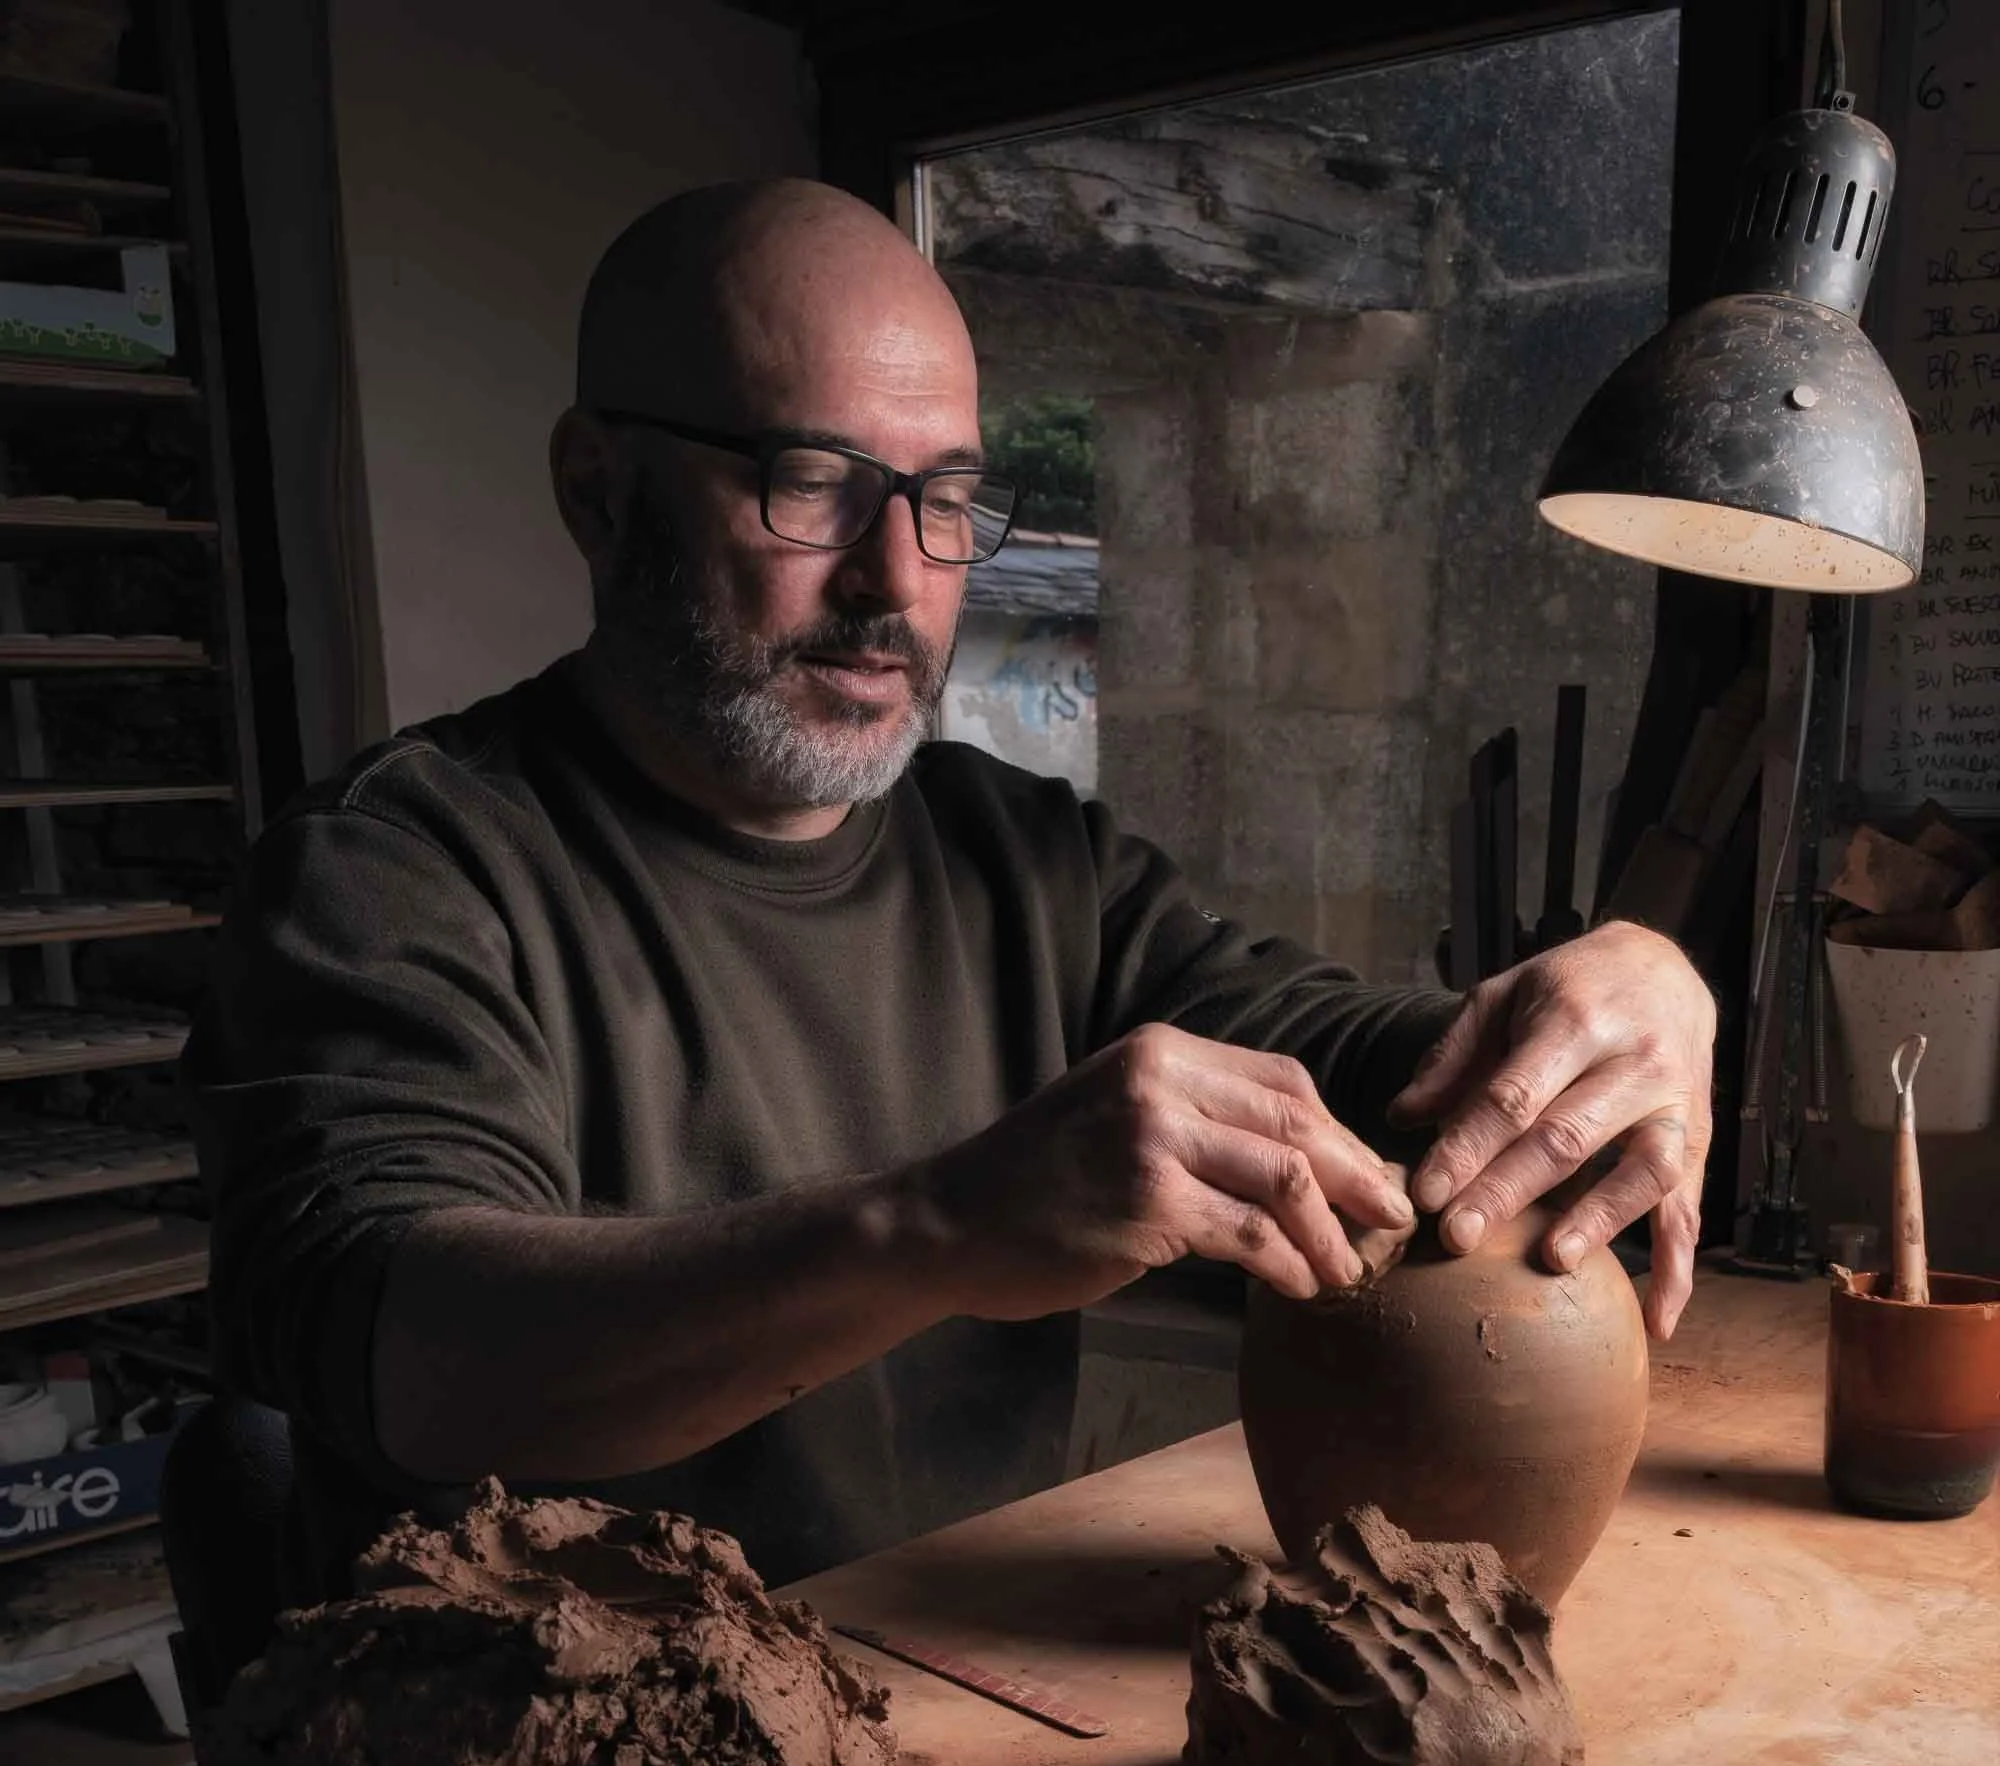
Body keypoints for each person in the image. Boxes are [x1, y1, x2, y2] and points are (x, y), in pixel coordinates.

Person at [185, 178, 1715, 1600]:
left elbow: (1370, 1065)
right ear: (600, 492)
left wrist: (1604, 1015)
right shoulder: (389, 874)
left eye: (945, 500)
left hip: (952, 1723)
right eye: (814, 487)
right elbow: (412, 1346)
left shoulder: (1024, 857)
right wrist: (934, 1229)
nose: (895, 579)